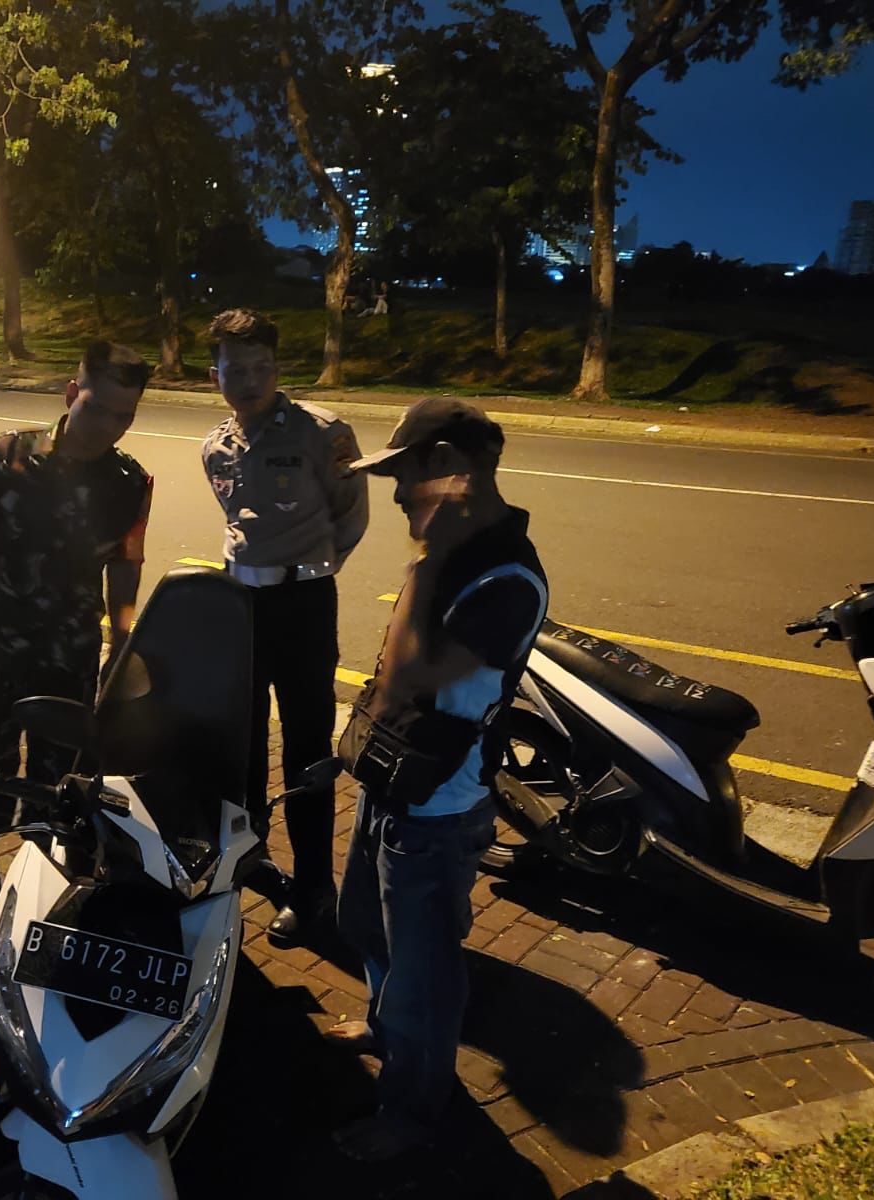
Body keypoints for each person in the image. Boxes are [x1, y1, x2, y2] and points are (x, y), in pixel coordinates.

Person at [329, 397, 549, 1162]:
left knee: (424, 974)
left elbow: (408, 674)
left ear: (449, 466)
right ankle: (384, 1030)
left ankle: (412, 1113)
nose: (395, 494)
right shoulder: (458, 551)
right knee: (367, 926)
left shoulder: (506, 577)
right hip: (392, 779)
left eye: (404, 474)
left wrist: (424, 563)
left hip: (437, 807)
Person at [0, 340, 154, 952]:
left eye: (125, 415)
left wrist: (123, 646)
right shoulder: (9, 454)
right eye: (98, 408)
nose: (109, 426)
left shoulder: (130, 482)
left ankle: (40, 886)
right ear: (71, 393)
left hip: (70, 651)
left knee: (60, 782)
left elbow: (126, 571)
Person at [199, 308, 368, 947]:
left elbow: (351, 515)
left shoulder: (323, 433)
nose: (248, 381)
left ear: (277, 368)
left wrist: (308, 570)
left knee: (307, 749)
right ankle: (252, 859)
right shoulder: (215, 445)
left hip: (303, 606)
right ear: (214, 374)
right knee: (240, 746)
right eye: (234, 369)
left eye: (260, 367)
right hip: (240, 607)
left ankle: (315, 886)